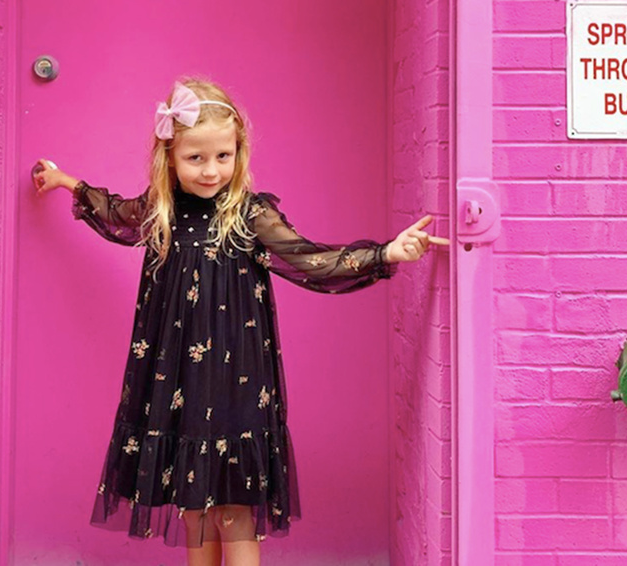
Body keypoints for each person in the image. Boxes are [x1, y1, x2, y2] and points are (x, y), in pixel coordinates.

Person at [32, 78, 449, 566]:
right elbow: (115, 213)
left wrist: (386, 253)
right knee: (194, 504)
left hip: (237, 382)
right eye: (196, 158)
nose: (211, 170)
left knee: (234, 510)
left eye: (223, 156)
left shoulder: (250, 215)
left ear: (238, 152)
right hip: (178, 381)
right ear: (170, 157)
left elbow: (310, 260)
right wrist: (64, 181)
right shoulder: (160, 211)